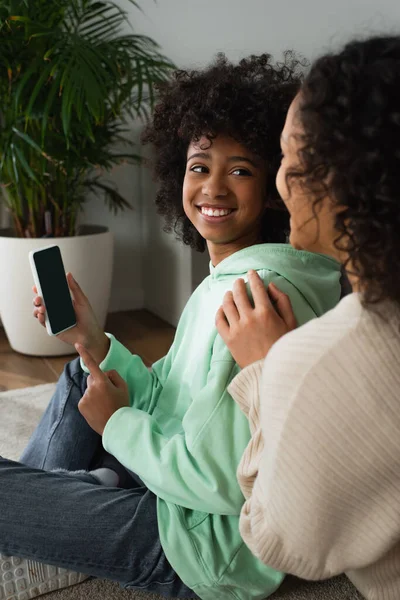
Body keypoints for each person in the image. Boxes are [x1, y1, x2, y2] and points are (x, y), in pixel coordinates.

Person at [0, 55, 342, 600]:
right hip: (175, 483)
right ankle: (59, 510)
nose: (213, 188)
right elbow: (179, 405)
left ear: (277, 184)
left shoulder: (252, 302)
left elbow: (219, 481)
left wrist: (115, 428)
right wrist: (93, 340)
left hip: (200, 544)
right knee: (79, 374)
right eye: (200, 165)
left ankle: (43, 523)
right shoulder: (229, 278)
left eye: (241, 170)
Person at [216, 35, 400, 600]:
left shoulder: (319, 358)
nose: (279, 181)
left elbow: (278, 539)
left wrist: (264, 374)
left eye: (288, 159)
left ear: (340, 181)